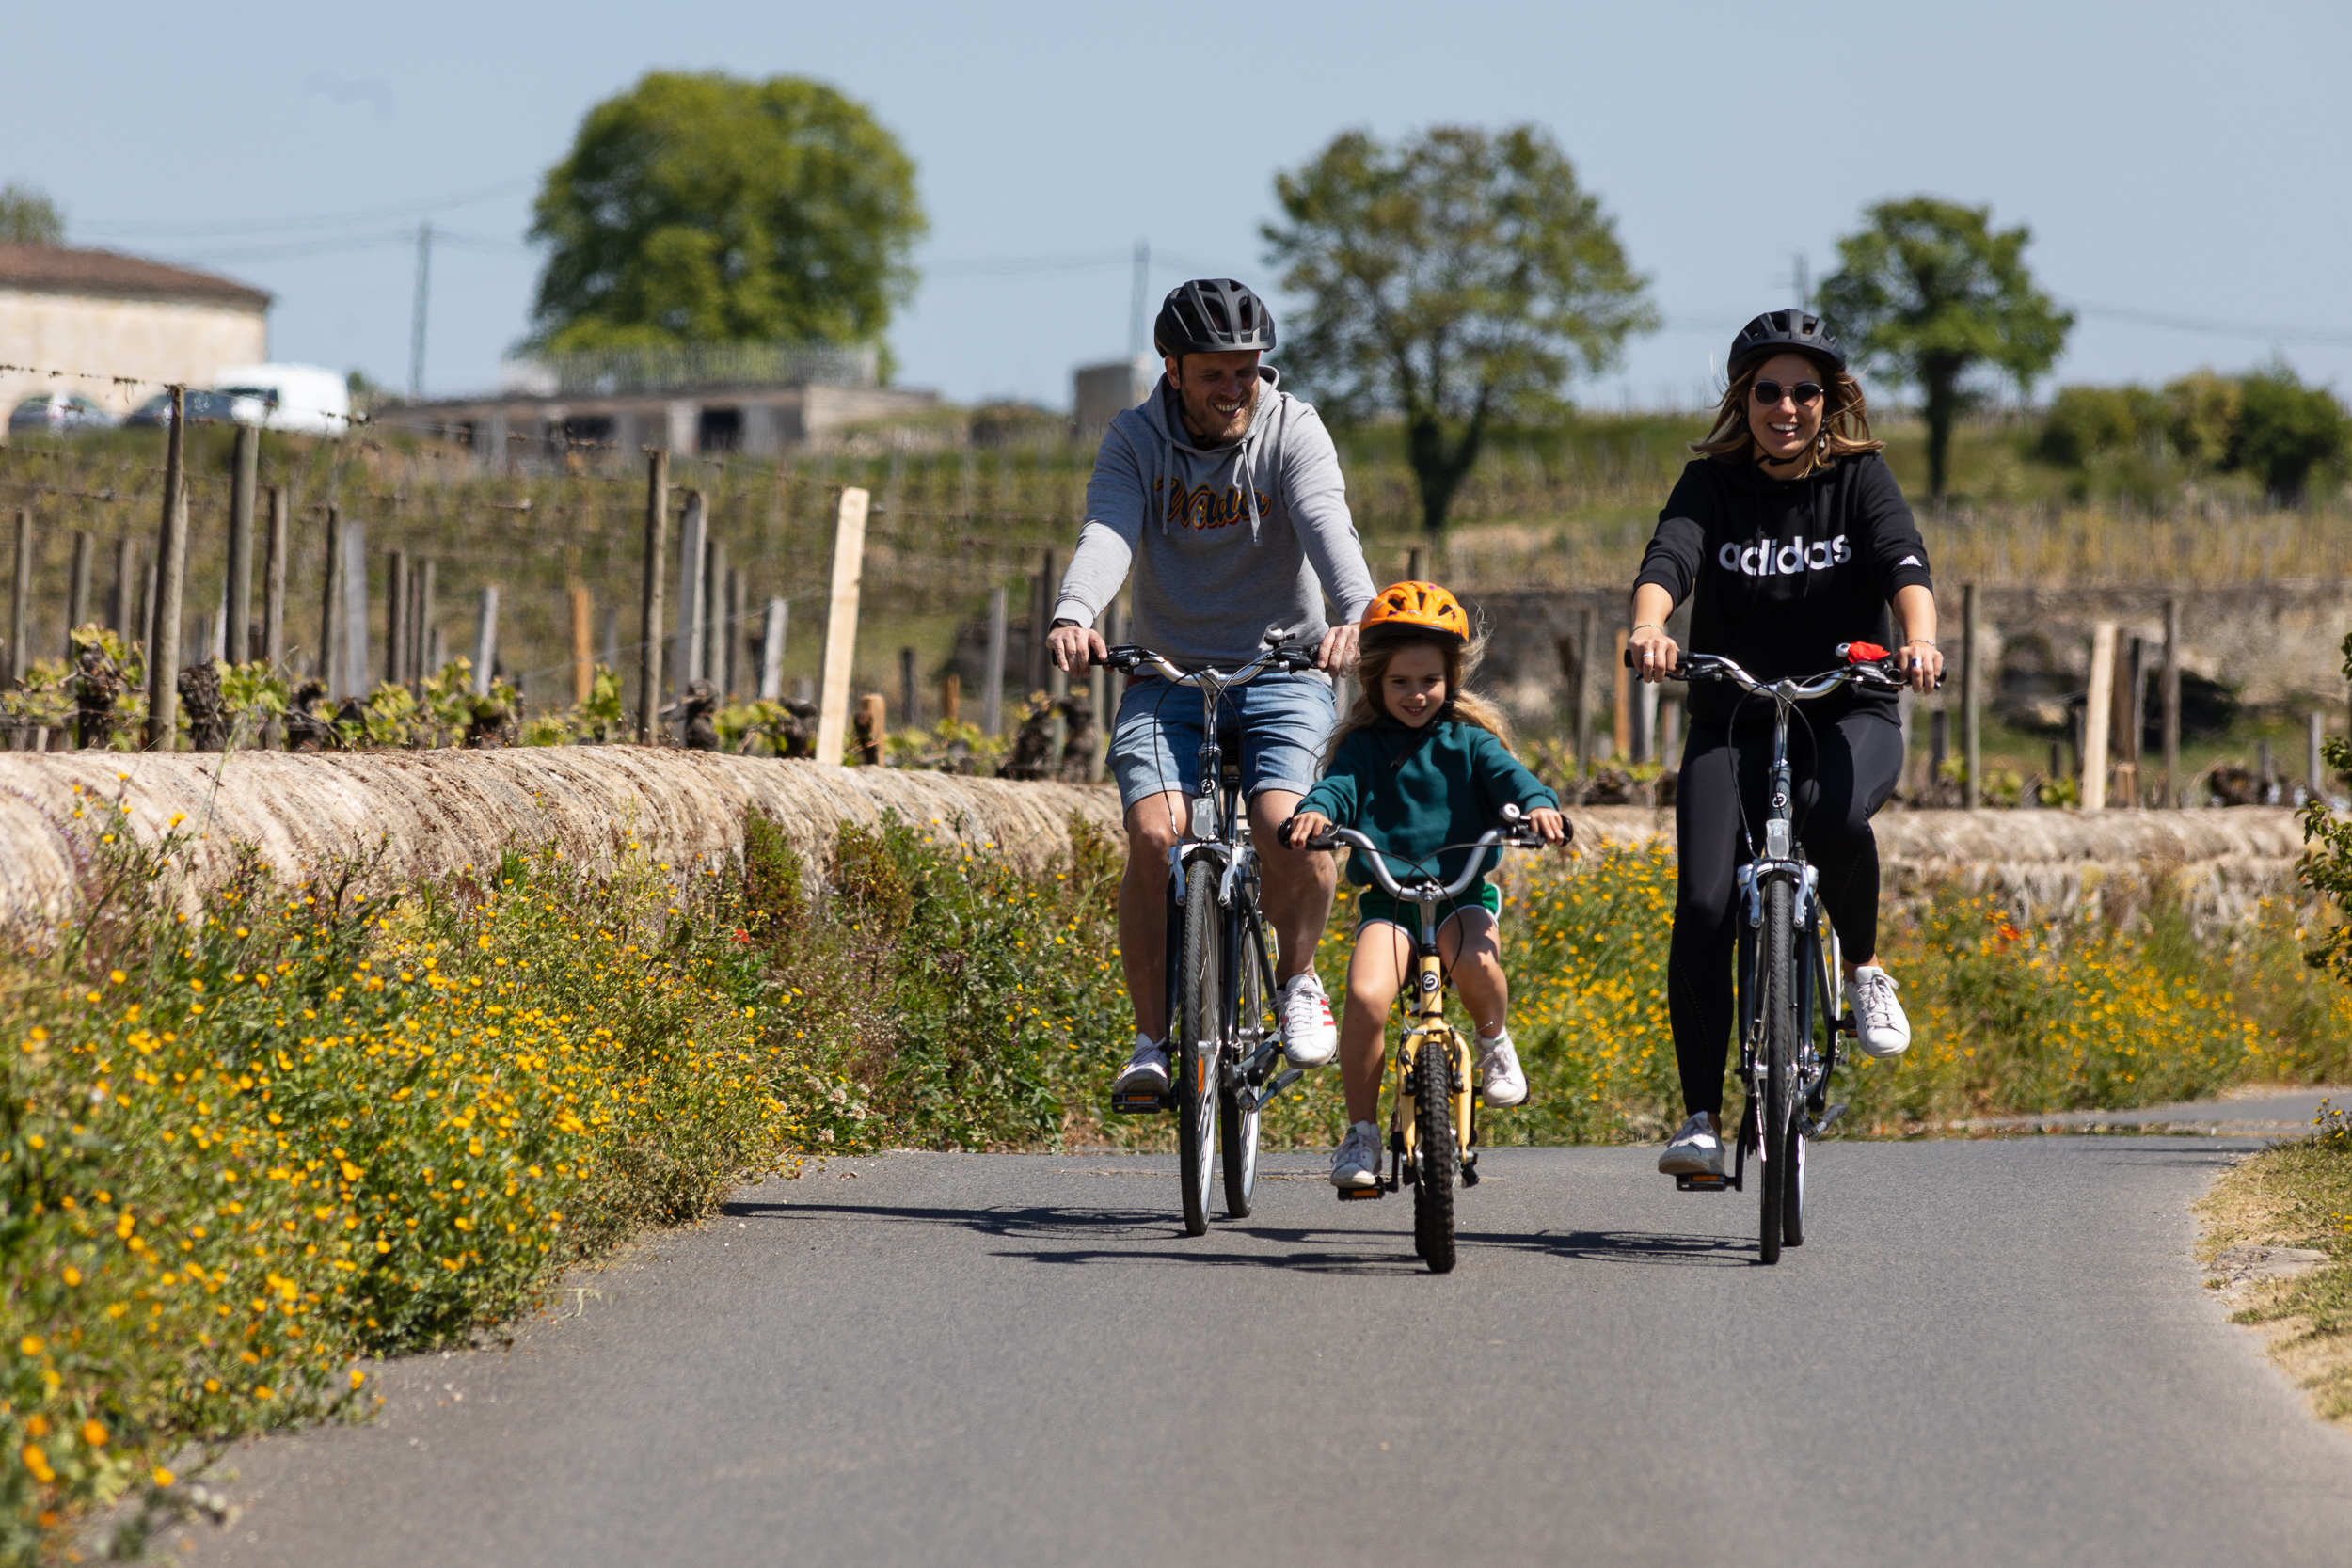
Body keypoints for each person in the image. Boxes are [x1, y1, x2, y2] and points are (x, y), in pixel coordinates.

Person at [1628, 309, 1942, 1180]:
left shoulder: (1860, 479)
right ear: (1744, 399)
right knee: (1703, 905)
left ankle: (1865, 967)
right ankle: (1699, 1118)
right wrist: (1651, 626)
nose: (1786, 407)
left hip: (1848, 706)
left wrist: (1918, 641)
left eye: (1805, 391)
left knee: (1829, 812)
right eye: (1768, 391)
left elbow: (1903, 562)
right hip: (1732, 715)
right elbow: (1670, 559)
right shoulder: (1711, 483)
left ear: (1830, 401)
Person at [1047, 278, 1378, 1098]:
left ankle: (1298, 977)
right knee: (1153, 835)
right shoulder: (1134, 439)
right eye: (1214, 373)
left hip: (1284, 669)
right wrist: (1076, 610)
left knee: (1290, 826)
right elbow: (1109, 530)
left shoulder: (1292, 427)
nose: (1235, 388)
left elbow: (1326, 520)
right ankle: (1151, 1041)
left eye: (1247, 370)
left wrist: (1356, 612)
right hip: (1169, 673)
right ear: (1173, 369)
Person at [1283, 583, 1569, 1190]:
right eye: (1400, 682)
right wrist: (1315, 812)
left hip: (1461, 897)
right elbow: (1337, 789)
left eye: (1430, 681)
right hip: (1390, 903)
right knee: (1365, 998)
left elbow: (1514, 780)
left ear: (1451, 680)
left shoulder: (1470, 743)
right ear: (1375, 684)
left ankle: (1493, 1042)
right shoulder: (1362, 748)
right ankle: (1361, 1134)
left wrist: (1539, 807)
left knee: (1478, 968)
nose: (1416, 694)